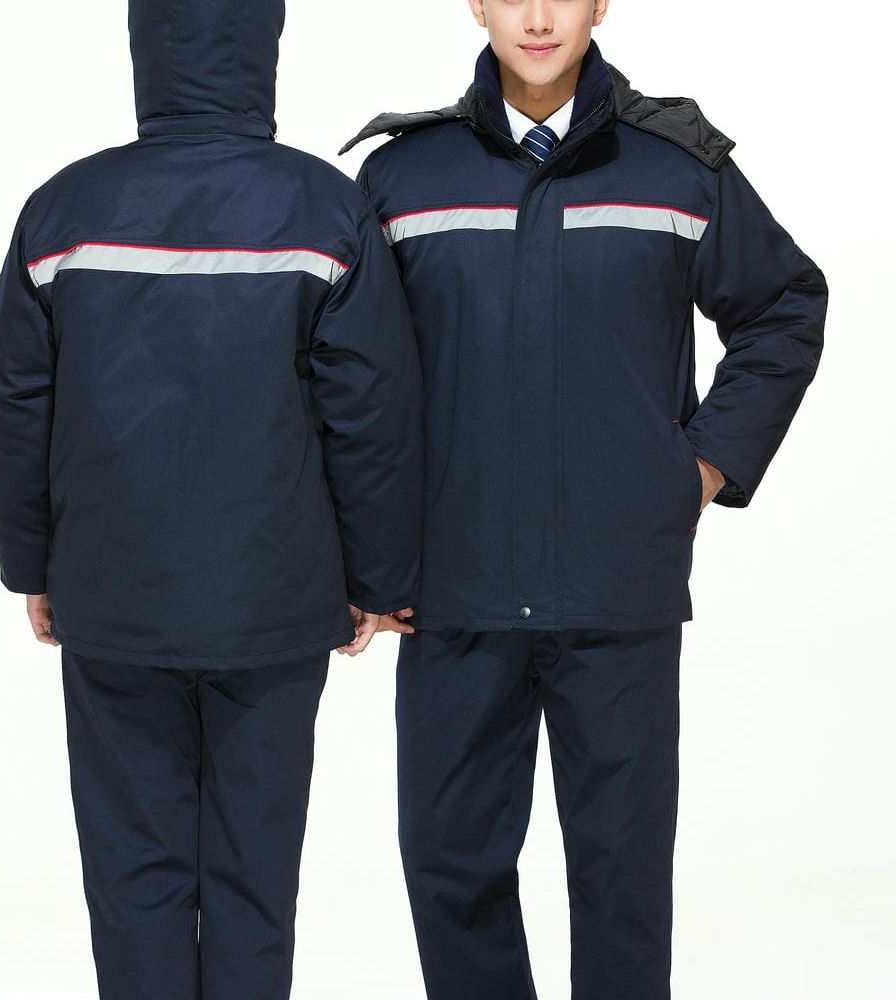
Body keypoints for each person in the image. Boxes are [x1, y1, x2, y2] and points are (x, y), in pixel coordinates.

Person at [340, 1, 827, 997]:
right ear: (475, 3)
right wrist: (362, 556)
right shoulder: (402, 178)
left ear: (600, 3)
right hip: (453, 591)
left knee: (622, 881)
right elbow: (350, 376)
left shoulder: (677, 168)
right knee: (451, 869)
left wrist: (700, 468)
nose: (536, 17)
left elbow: (783, 306)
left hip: (618, 592)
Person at [0, 1, 422, 997]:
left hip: (112, 598)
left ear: (144, 47)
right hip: (275, 605)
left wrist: (32, 564)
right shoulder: (324, 209)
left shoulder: (62, 211)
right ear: (264, 47)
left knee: (132, 870)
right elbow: (372, 412)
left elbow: (13, 401)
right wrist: (378, 578)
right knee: (254, 875)